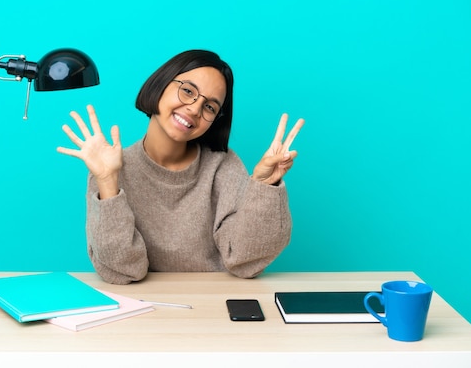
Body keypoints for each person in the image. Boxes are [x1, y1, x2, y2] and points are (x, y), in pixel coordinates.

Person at [57, 49, 304, 285]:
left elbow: (244, 260)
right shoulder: (110, 166)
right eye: (188, 91)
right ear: (161, 84)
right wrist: (109, 183)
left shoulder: (223, 166)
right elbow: (124, 272)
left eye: (210, 107)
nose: (195, 109)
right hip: (144, 311)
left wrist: (263, 186)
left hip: (215, 306)